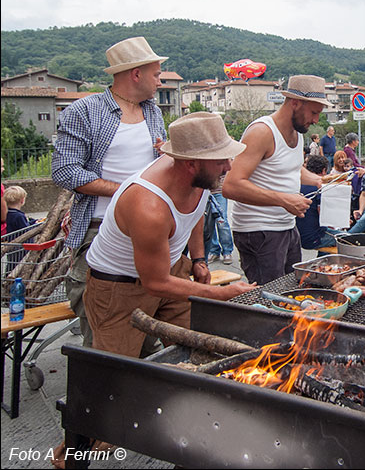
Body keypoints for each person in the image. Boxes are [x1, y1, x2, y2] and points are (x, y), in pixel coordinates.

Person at [82, 111, 254, 359]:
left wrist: (198, 259)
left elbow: (195, 213)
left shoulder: (199, 176)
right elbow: (155, 283)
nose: (228, 166)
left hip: (170, 269)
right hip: (119, 287)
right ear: (191, 163)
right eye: (220, 160)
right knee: (118, 372)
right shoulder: (148, 206)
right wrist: (221, 294)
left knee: (200, 347)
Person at [51, 36, 168, 348]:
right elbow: (65, 171)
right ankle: (99, 394)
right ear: (135, 74)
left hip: (146, 230)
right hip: (98, 229)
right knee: (104, 333)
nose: (160, 81)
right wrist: (130, 194)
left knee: (143, 329)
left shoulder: (153, 111)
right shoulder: (84, 111)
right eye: (156, 75)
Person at [223, 75, 328, 285]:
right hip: (259, 232)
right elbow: (231, 185)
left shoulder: (298, 133)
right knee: (271, 300)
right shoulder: (262, 132)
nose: (316, 120)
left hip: (287, 228)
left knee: (292, 290)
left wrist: (320, 181)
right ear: (295, 103)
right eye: (314, 113)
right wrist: (284, 200)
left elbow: (291, 169)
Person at [296, 155, 344, 250]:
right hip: (313, 238)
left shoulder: (297, 185)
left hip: (297, 236)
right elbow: (325, 218)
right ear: (324, 170)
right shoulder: (319, 188)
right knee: (348, 238)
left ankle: (323, 260)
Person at [204, 175, 234, 264]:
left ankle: (227, 251)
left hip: (219, 190)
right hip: (205, 191)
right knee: (208, 223)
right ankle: (213, 250)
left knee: (222, 221)